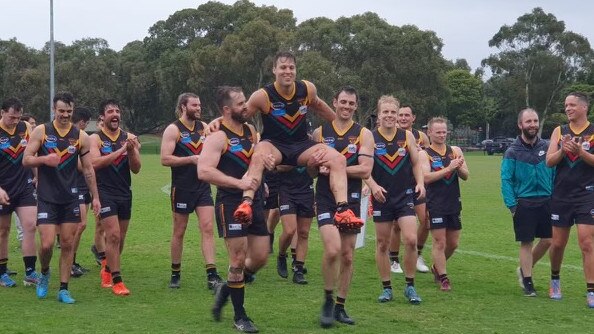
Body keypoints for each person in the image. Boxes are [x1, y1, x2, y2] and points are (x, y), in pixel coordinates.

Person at [228, 51, 363, 234]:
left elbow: (320, 106)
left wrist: (343, 127)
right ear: (274, 69)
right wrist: (219, 122)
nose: (287, 71)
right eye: (283, 67)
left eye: (291, 67)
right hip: (275, 145)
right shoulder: (262, 96)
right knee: (259, 153)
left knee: (338, 159)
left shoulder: (307, 89)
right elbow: (240, 117)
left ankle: (342, 210)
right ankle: (246, 203)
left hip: (301, 146)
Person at [199, 86, 268, 333]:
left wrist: (263, 180)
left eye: (245, 102)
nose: (246, 107)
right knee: (237, 260)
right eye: (240, 104)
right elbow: (204, 171)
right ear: (227, 110)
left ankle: (225, 290)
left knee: (260, 256)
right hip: (230, 203)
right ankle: (240, 317)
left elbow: (257, 162)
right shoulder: (218, 137)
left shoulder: (251, 131)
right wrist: (239, 183)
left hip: (256, 199)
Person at [23, 92, 101, 303]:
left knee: (67, 244)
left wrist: (95, 197)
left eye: (69, 111)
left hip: (70, 197)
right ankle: (45, 272)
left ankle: (64, 289)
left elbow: (88, 170)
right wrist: (44, 160)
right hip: (47, 196)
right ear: (53, 110)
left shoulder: (81, 137)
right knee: (47, 244)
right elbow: (26, 159)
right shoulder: (41, 131)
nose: (65, 115)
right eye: (61, 111)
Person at [312, 86, 374, 327]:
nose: (347, 107)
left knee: (347, 256)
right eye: (343, 102)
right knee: (332, 250)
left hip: (352, 198)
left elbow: (366, 169)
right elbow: (310, 169)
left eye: (351, 103)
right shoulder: (320, 132)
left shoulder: (363, 134)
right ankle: (327, 299)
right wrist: (317, 167)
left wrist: (336, 168)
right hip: (326, 197)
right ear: (334, 103)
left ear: (356, 106)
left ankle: (340, 306)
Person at [364, 95, 425, 305]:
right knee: (382, 244)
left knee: (411, 239)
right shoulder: (370, 138)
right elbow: (365, 169)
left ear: (398, 115)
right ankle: (387, 288)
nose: (389, 116)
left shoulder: (407, 137)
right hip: (382, 197)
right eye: (385, 112)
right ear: (378, 115)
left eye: (393, 112)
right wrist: (373, 186)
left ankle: (410, 286)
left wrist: (420, 183)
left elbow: (416, 163)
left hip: (404, 196)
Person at [160, 92, 222, 289]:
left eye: (199, 105)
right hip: (182, 188)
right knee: (179, 231)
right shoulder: (173, 129)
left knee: (207, 228)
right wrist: (190, 159)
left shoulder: (204, 128)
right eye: (194, 105)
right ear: (183, 107)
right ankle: (175, 273)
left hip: (203, 187)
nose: (198, 108)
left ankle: (212, 274)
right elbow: (165, 159)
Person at [546, 92, 594, 307]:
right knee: (557, 243)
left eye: (572, 105)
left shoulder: (592, 132)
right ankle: (555, 280)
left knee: (587, 242)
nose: (568, 108)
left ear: (584, 108)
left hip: (587, 194)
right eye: (566, 105)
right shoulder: (559, 131)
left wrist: (580, 153)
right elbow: (549, 161)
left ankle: (591, 291)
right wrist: (564, 152)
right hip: (562, 195)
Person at [89, 99, 141, 296]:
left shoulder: (129, 137)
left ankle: (108, 269)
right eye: (110, 111)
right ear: (102, 117)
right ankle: (118, 281)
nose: (115, 114)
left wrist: (131, 151)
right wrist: (120, 151)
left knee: (121, 239)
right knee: (113, 235)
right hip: (104, 193)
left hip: (124, 192)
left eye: (117, 111)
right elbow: (94, 162)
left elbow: (136, 169)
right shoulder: (96, 139)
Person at [501, 108, 552, 297]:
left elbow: (554, 171)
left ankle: (524, 269)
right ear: (520, 125)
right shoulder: (512, 151)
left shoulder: (547, 147)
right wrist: (512, 205)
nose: (533, 125)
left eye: (535, 121)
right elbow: (506, 179)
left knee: (548, 240)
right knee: (527, 242)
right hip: (524, 202)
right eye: (528, 121)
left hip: (547, 200)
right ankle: (528, 280)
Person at [421, 117, 468, 291]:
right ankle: (443, 277)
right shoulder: (424, 154)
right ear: (430, 132)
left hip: (454, 202)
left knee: (453, 243)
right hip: (436, 203)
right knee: (439, 242)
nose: (442, 135)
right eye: (438, 132)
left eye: (444, 132)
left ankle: (436, 267)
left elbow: (466, 175)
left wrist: (459, 167)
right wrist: (448, 168)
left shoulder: (455, 150)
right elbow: (426, 177)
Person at [0, 98, 39, 287]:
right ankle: (1, 273)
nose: (15, 121)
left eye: (18, 117)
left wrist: (37, 176)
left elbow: (33, 153)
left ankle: (30, 272)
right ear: (2, 112)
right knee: (3, 230)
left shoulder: (26, 127)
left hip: (24, 186)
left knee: (31, 225)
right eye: (11, 117)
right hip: (3, 189)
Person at [389, 105, 431, 274]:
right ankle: (393, 259)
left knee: (426, 220)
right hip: (397, 186)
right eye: (401, 115)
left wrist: (421, 153)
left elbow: (429, 157)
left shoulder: (421, 137)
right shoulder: (390, 134)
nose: (404, 118)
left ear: (414, 118)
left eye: (407, 115)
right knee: (396, 224)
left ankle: (418, 255)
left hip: (417, 185)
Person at [275, 165, 314, 285]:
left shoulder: (313, 146)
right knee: (290, 230)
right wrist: (295, 161)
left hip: (306, 190)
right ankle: (282, 255)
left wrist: (315, 165)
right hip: (287, 190)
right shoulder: (284, 146)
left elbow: (315, 173)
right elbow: (277, 167)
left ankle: (299, 270)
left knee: (304, 233)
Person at [70, 106, 92, 277]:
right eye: (84, 122)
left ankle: (73, 261)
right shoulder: (72, 138)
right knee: (80, 224)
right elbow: (80, 165)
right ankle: (69, 262)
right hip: (74, 186)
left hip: (84, 186)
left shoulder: (82, 137)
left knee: (81, 226)